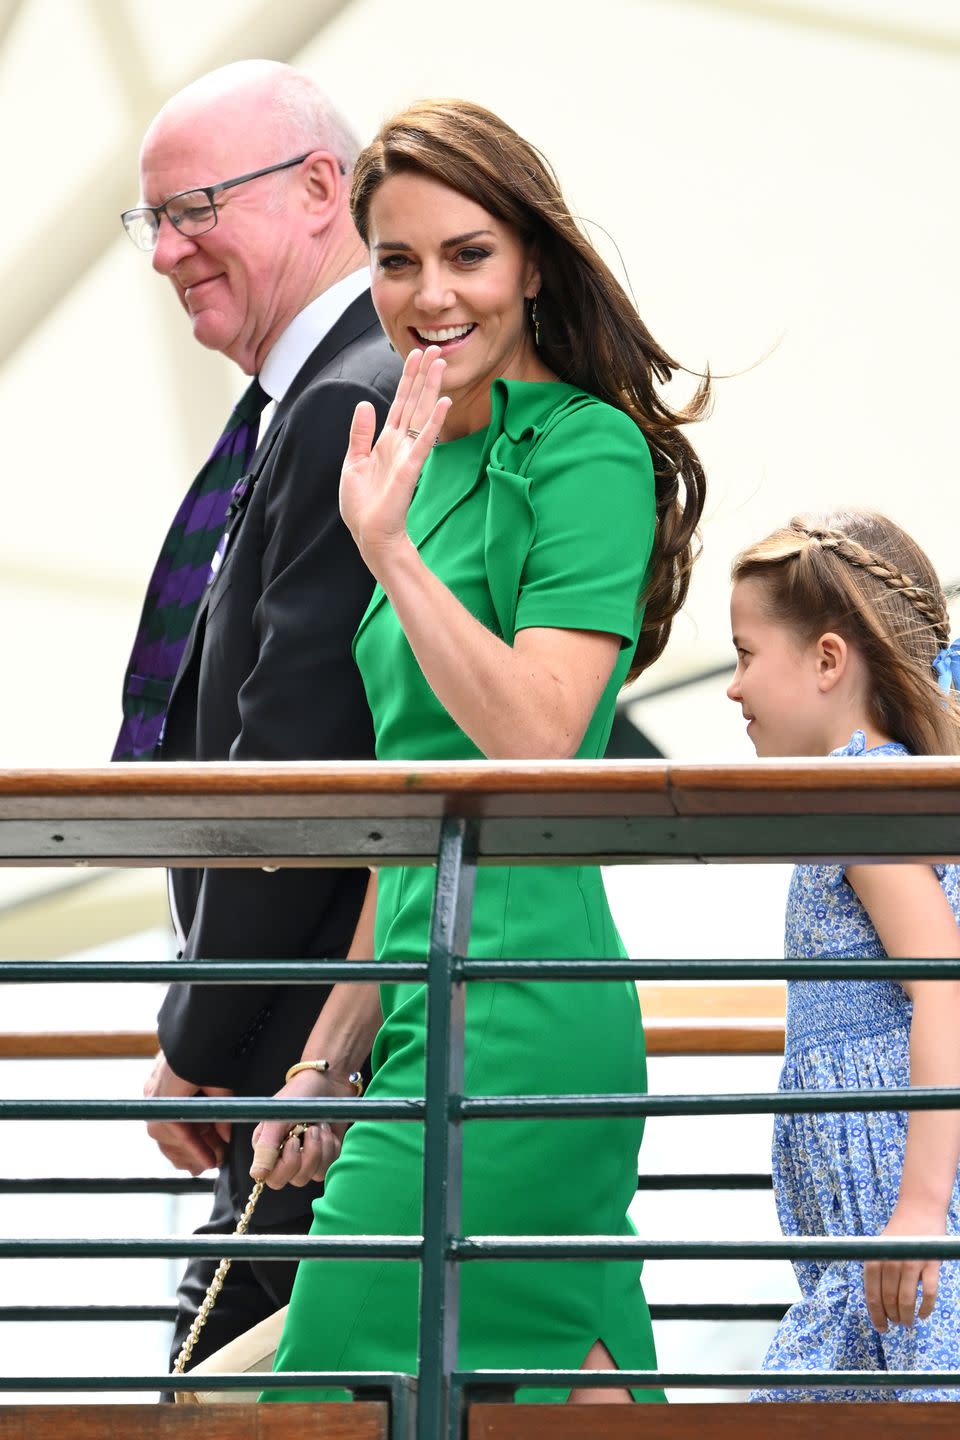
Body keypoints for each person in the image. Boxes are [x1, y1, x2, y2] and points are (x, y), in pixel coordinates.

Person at [249, 98, 710, 1405]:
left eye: (467, 255)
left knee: (336, 1385)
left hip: (526, 1015)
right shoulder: (411, 461)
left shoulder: (586, 450)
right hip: (419, 1010)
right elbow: (418, 815)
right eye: (397, 261)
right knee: (556, 1382)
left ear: (533, 266)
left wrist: (386, 552)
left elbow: (538, 738)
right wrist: (324, 1058)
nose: (429, 294)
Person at [113, 60, 400, 1369]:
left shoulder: (353, 389)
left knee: (225, 1383)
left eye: (196, 208)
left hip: (315, 1058)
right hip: (295, 1053)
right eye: (150, 221)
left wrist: (204, 1030)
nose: (168, 251)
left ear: (320, 189)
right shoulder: (307, 398)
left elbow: (299, 739)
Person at [726, 509, 960, 1402]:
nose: (733, 687)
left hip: (893, 1206)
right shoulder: (869, 788)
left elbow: (943, 987)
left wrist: (919, 1212)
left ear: (828, 660)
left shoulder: (867, 794)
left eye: (746, 655)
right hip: (868, 1213)